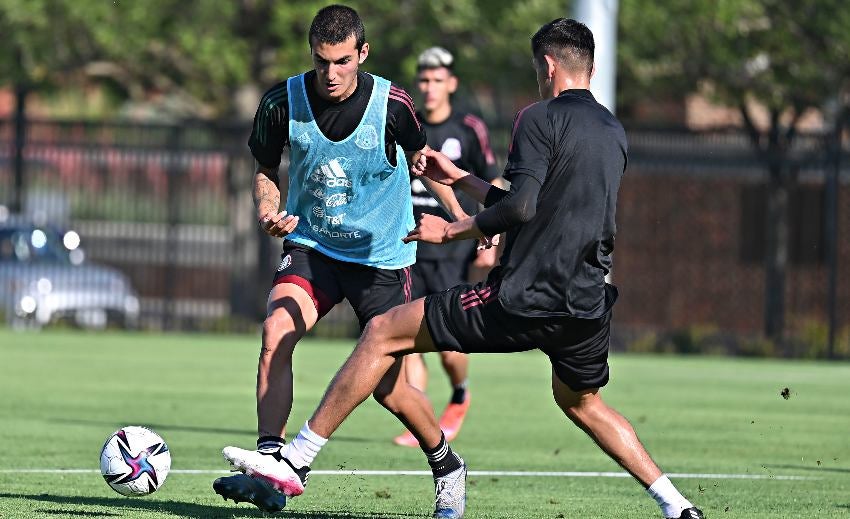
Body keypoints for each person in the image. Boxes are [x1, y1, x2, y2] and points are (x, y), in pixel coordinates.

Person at [222, 17, 705, 519]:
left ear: (547, 65)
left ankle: (298, 461)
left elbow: (520, 210)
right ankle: (676, 506)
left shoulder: (537, 118)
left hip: (521, 294)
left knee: (384, 335)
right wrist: (467, 182)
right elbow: (534, 203)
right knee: (583, 403)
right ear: (594, 65)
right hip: (585, 303)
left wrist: (452, 229)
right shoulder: (613, 130)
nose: (331, 71)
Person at [214, 5, 469, 514]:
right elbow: (265, 169)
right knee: (275, 332)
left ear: (362, 54)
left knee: (390, 389)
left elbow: (428, 168)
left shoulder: (393, 104)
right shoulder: (280, 102)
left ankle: (446, 463)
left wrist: (467, 222)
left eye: (342, 61)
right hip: (315, 246)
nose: (330, 74)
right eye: (321, 61)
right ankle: (272, 463)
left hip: (381, 256)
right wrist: (269, 211)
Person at [393, 46, 502, 448]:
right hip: (407, 245)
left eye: (438, 80)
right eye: (423, 79)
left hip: (452, 250)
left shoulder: (470, 127)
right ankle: (418, 419)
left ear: (451, 84)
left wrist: (489, 237)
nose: (429, 86)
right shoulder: (407, 124)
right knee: (405, 338)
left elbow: (493, 183)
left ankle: (459, 392)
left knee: (445, 343)